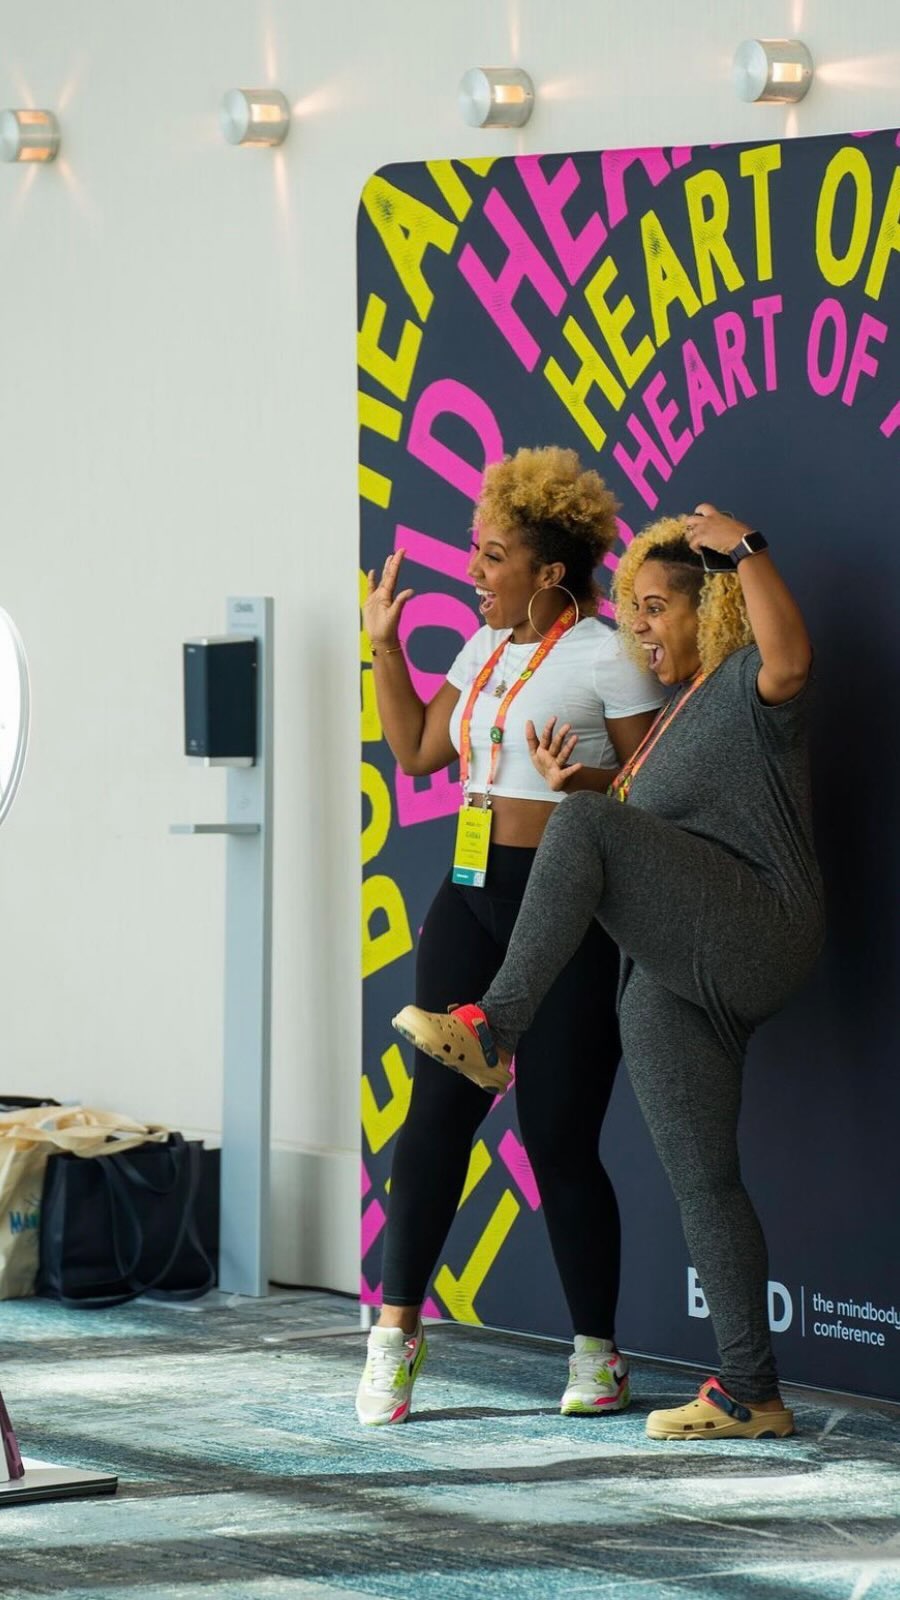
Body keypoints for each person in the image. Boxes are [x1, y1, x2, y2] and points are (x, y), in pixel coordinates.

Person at [394, 504, 825, 1440]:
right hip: (686, 954)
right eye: (631, 611)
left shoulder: (744, 678)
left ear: (712, 609)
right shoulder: (670, 718)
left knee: (583, 829)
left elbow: (792, 662)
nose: (639, 629)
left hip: (758, 925)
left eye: (657, 609)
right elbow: (655, 830)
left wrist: (747, 550)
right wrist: (590, 785)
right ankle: (751, 1392)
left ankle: (494, 1027)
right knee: (703, 1177)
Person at [357, 446, 663, 1426]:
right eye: (477, 550)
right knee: (435, 1119)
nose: (475, 570)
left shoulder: (607, 655)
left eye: (494, 556)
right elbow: (416, 749)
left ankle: (597, 1356)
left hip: (565, 905)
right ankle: (394, 1338)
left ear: (550, 571)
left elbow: (658, 797)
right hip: (469, 895)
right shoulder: (480, 647)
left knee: (557, 1134)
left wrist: (589, 785)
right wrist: (383, 646)